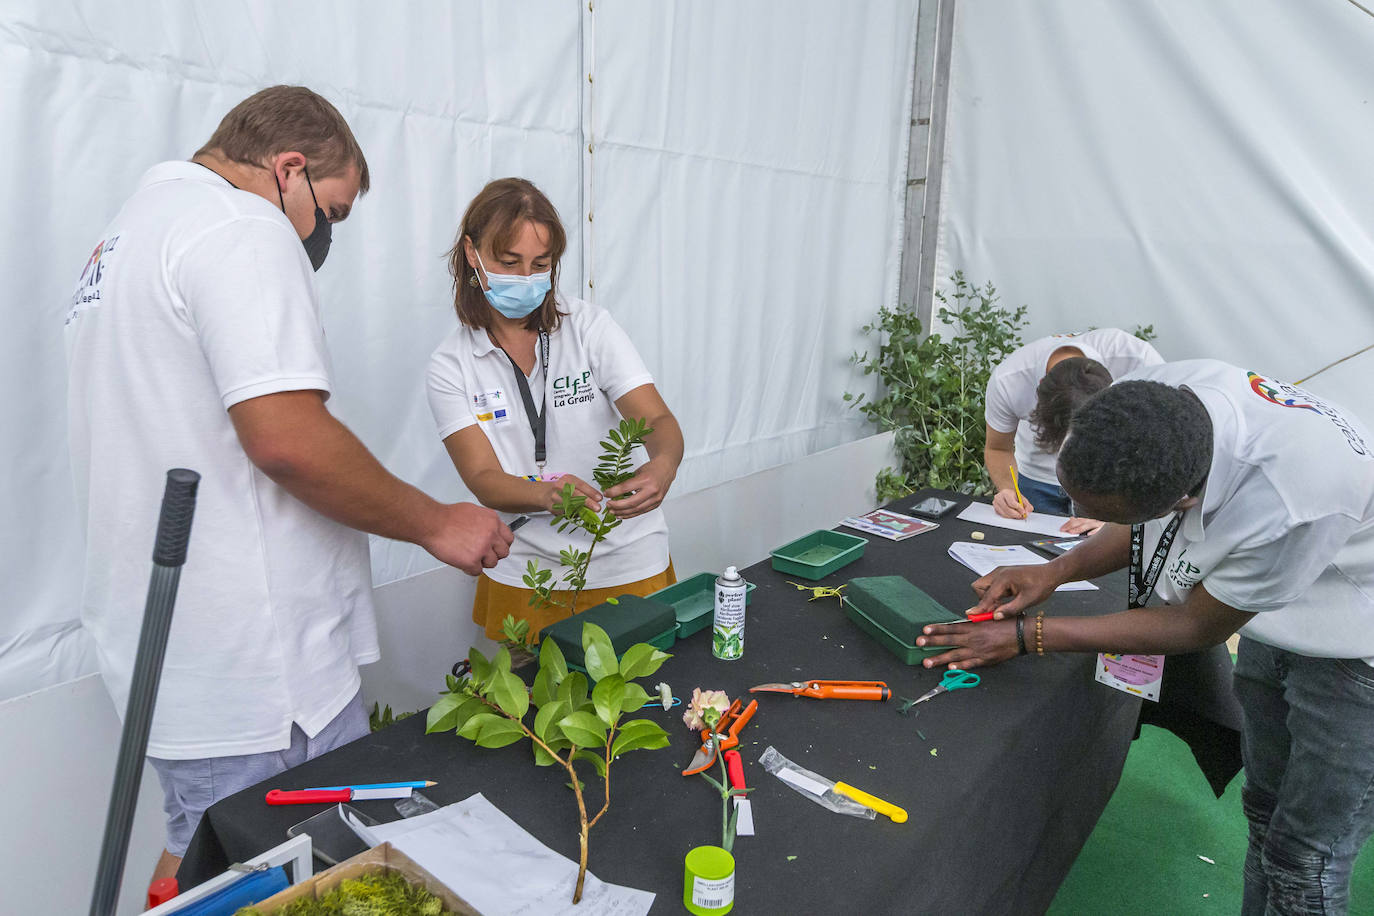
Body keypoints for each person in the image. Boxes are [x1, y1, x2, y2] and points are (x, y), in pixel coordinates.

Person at [64, 86, 512, 884]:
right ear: (289, 169)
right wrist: (437, 522)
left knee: (200, 863)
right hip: (253, 673)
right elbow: (287, 440)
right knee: (270, 877)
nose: (321, 234)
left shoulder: (128, 234)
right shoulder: (241, 225)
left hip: (178, 654)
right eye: (331, 212)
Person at [919, 359, 1374, 914]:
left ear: (1181, 499)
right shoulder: (1162, 406)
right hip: (1277, 612)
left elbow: (1195, 625)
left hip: (1358, 650)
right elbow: (1139, 527)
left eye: (1102, 512)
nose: (1084, 517)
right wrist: (1054, 571)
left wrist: (1028, 635)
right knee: (1266, 809)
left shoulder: (1291, 503)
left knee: (1307, 856)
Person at [427, 178, 683, 640]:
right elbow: (483, 477)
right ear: (472, 253)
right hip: (528, 577)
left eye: (540, 264)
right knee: (533, 705)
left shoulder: (589, 328)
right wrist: (549, 494)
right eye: (509, 263)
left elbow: (657, 421)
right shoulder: (452, 365)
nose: (526, 279)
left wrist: (662, 466)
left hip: (627, 562)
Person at [984, 328, 1163, 532]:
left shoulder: (1138, 360)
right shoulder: (1009, 380)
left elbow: (1162, 446)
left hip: (1109, 482)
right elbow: (998, 449)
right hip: (1036, 483)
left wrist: (1118, 522)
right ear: (1039, 389)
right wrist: (1008, 489)